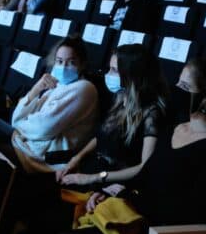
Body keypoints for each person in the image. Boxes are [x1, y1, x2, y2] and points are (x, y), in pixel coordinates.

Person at [50, 59, 206, 234]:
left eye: (185, 87)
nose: (176, 90)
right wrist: (108, 192)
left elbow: (196, 209)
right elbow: (146, 174)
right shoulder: (176, 128)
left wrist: (131, 200)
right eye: (178, 83)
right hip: (139, 214)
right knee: (56, 220)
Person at [0, 36, 98, 173]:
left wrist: (20, 126)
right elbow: (16, 118)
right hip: (24, 140)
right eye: (59, 61)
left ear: (82, 64)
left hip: (37, 155)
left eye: (71, 62)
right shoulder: (58, 84)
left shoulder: (84, 88)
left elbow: (43, 128)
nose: (63, 67)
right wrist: (36, 89)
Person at [55, 45, 167, 187]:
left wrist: (93, 178)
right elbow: (101, 136)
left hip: (114, 181)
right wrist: (76, 159)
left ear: (131, 75)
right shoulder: (119, 97)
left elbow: (144, 167)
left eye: (114, 70)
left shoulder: (152, 113)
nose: (108, 74)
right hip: (95, 167)